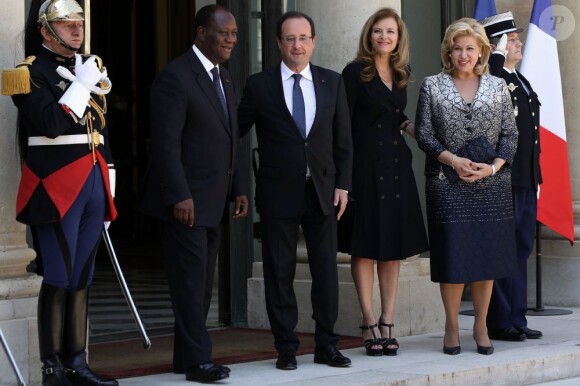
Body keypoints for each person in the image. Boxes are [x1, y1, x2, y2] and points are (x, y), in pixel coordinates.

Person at [3, 0, 118, 385]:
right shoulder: (30, 73)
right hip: (55, 185)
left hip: (91, 182)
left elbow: (98, 131)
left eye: (78, 22)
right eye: (65, 23)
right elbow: (51, 123)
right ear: (45, 30)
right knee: (58, 272)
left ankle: (77, 362)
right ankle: (51, 368)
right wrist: (83, 85)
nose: (75, 29)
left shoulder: (85, 68)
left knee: (82, 274)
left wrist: (109, 180)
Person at [238, 11, 353, 371]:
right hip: (278, 194)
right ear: (278, 44)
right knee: (279, 272)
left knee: (325, 273)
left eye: (303, 38)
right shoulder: (259, 85)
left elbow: (344, 142)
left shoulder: (332, 82)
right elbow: (234, 136)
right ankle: (286, 347)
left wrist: (344, 185)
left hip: (323, 192)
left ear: (314, 42)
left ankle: (326, 345)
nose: (297, 45)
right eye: (290, 39)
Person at [139, 4, 248, 384]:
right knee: (189, 282)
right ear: (202, 33)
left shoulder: (226, 78)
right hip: (184, 203)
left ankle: (187, 358)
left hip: (215, 198)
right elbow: (166, 145)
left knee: (201, 283)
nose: (232, 39)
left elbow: (231, 137)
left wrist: (239, 188)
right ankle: (199, 361)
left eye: (235, 33)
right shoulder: (175, 77)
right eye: (224, 33)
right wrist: (179, 195)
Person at [415, 17, 519, 356]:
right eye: (457, 48)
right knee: (453, 255)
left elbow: (510, 135)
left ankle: (480, 326)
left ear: (482, 51)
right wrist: (453, 161)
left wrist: (491, 168)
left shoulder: (498, 86)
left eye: (469, 49)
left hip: (492, 185)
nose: (463, 55)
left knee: (486, 256)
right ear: (448, 51)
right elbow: (425, 134)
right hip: (447, 184)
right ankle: (451, 325)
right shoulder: (432, 85)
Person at [340, 8, 428, 357]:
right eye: (378, 31)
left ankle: (388, 321)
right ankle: (368, 321)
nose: (384, 37)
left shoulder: (402, 72)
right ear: (369, 35)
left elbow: (393, 114)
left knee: (391, 249)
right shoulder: (353, 73)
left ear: (398, 38)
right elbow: (342, 124)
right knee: (364, 247)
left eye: (390, 32)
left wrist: (410, 127)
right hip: (364, 168)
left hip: (396, 167)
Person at [479, 12, 543, 342]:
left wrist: (538, 177)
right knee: (503, 250)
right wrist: (497, 55)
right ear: (495, 46)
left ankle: (517, 316)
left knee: (521, 249)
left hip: (525, 179)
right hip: (503, 179)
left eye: (515, 39)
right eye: (511, 39)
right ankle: (500, 320)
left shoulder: (519, 79)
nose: (518, 43)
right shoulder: (493, 77)